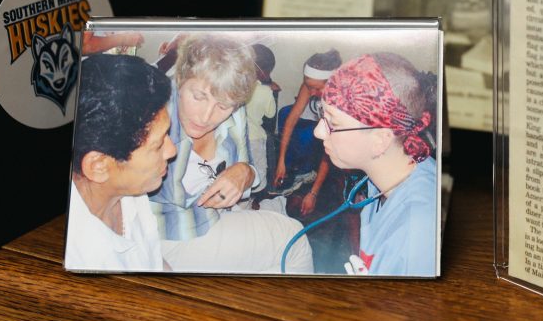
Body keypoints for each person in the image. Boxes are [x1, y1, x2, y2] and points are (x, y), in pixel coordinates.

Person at [150, 34, 312, 273]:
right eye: (199, 97)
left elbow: (243, 183)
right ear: (181, 78)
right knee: (294, 238)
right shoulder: (151, 111)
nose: (206, 117)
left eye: (223, 106)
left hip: (216, 220)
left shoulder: (236, 113)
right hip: (167, 235)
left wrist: (246, 172)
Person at [315, 52, 438, 276]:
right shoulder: (382, 179)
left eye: (333, 123)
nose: (318, 131)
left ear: (380, 140)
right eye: (321, 116)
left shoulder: (418, 231)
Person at [65, 53, 176, 272]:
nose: (172, 150)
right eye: (157, 145)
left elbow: (154, 260)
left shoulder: (129, 189)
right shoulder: (82, 262)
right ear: (99, 166)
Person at [270, 49, 342, 217]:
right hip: (312, 118)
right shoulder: (310, 87)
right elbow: (291, 120)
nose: (311, 93)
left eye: (316, 89)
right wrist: (281, 161)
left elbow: (328, 149)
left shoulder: (337, 102)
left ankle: (306, 172)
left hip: (326, 129)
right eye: (308, 86)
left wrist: (313, 193)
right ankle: (289, 170)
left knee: (309, 135)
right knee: (285, 113)